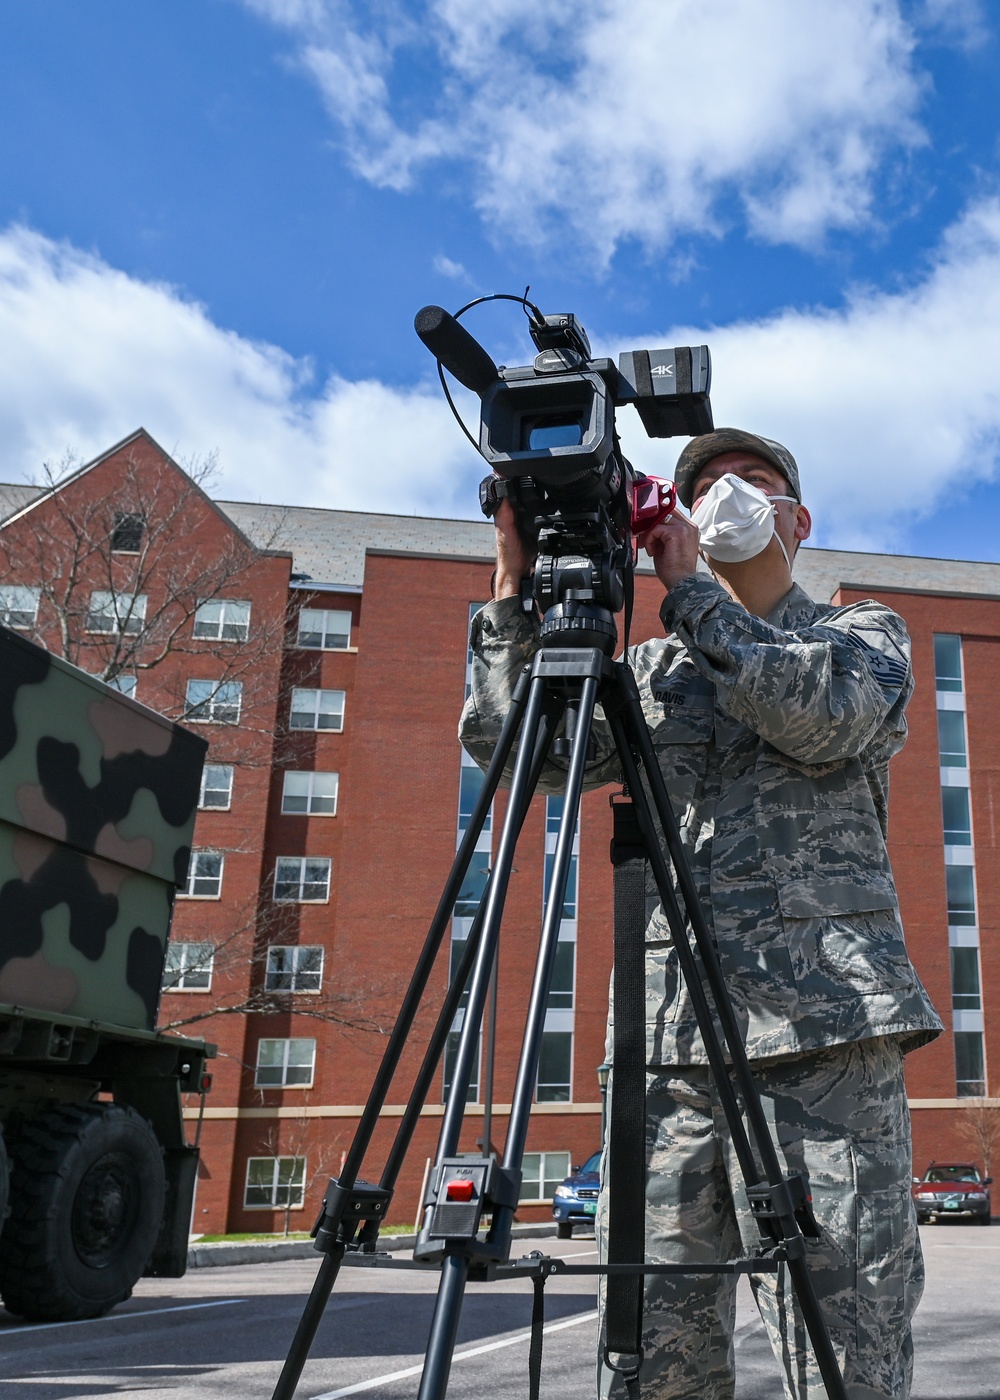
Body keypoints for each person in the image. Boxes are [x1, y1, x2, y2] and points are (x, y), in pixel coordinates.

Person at [459, 428, 942, 1400]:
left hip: (822, 1042)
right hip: (665, 1055)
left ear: (795, 520)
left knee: (844, 1347)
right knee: (651, 1355)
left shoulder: (859, 633)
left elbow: (825, 712)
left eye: (751, 484)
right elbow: (521, 755)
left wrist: (690, 595)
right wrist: (512, 588)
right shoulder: (650, 674)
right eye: (702, 486)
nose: (724, 494)